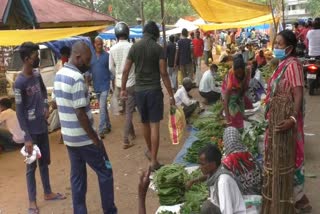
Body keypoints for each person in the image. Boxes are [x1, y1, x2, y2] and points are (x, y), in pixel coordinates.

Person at [54, 42, 117, 214]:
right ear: (78, 57)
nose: (89, 64)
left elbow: (58, 104)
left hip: (69, 139)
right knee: (105, 172)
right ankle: (110, 211)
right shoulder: (77, 79)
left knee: (77, 178)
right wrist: (95, 139)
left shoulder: (59, 75)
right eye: (87, 60)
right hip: (85, 139)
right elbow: (81, 114)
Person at [14, 42, 66, 214]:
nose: (38, 59)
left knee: (45, 162)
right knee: (31, 168)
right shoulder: (19, 83)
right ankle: (32, 202)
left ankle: (48, 192)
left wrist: (45, 107)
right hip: (31, 133)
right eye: (36, 56)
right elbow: (20, 113)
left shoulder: (37, 75)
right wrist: (27, 137)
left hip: (42, 128)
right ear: (27, 59)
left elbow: (44, 93)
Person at [264, 30, 311, 213]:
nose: (276, 47)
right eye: (275, 44)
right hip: (277, 118)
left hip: (288, 120)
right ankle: (293, 198)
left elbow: (298, 93)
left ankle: (300, 199)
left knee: (290, 157)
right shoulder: (282, 63)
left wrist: (292, 118)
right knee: (280, 156)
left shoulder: (293, 65)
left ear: (289, 48)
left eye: (279, 45)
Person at [121, 21, 175, 171]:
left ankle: (151, 153)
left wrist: (123, 89)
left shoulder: (135, 47)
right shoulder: (158, 49)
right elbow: (164, 73)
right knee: (154, 125)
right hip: (154, 91)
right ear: (155, 34)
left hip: (139, 92)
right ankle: (153, 161)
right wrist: (171, 95)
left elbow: (125, 70)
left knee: (144, 123)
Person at [186, 144, 246, 214]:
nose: (200, 167)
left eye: (202, 164)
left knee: (207, 207)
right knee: (207, 205)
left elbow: (227, 211)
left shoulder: (223, 182)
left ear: (213, 164)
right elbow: (206, 177)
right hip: (222, 207)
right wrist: (193, 181)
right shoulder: (216, 172)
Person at [109, 22, 136, 149]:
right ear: (127, 33)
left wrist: (118, 75)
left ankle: (132, 133)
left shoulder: (112, 49)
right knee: (129, 112)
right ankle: (125, 139)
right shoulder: (132, 47)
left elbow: (110, 67)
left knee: (126, 109)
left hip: (119, 84)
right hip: (131, 83)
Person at [222, 127, 262, 195]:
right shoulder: (248, 154)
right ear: (238, 138)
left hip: (242, 198)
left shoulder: (227, 162)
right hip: (259, 192)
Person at [88, 36, 113, 139]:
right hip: (96, 86)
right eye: (97, 44)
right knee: (103, 108)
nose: (99, 46)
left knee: (102, 107)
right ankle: (108, 125)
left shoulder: (107, 56)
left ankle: (101, 129)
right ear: (94, 44)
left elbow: (111, 70)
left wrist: (113, 83)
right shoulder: (91, 57)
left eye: (101, 44)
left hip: (105, 85)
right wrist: (88, 78)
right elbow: (88, 70)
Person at [222, 54, 251, 130]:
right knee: (234, 113)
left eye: (240, 73)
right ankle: (235, 127)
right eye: (237, 73)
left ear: (243, 70)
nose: (239, 75)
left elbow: (244, 88)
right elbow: (226, 100)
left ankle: (240, 125)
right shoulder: (231, 78)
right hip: (230, 92)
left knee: (240, 110)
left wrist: (239, 96)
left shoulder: (247, 71)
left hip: (238, 90)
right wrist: (228, 119)